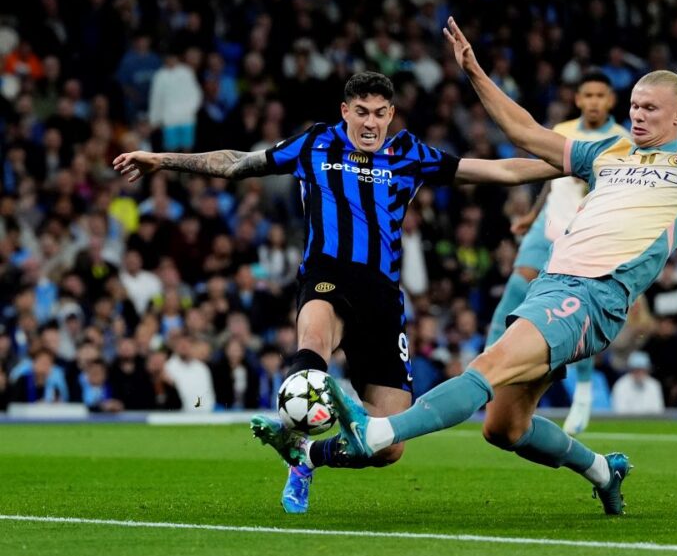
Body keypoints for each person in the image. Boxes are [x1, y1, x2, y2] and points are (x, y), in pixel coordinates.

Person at [291, 18, 677, 516]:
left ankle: (377, 436)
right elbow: (528, 136)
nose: (637, 114)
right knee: (503, 427)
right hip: (556, 290)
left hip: (595, 297)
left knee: (487, 365)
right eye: (634, 105)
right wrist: (476, 73)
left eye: (650, 108)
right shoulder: (607, 153)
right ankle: (601, 469)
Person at [112, 71, 563, 514]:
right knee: (313, 345)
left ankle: (306, 458)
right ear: (345, 111)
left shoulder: (409, 154)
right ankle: (296, 422)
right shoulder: (315, 143)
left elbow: (500, 170)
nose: (370, 122)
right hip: (328, 276)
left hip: (383, 299)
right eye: (362, 112)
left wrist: (571, 163)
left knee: (389, 448)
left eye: (380, 113)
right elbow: (238, 163)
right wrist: (162, 159)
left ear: (391, 115)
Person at [486, 70, 628, 437]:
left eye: (601, 95)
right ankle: (482, 377)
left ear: (610, 101)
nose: (594, 101)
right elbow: (552, 181)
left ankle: (582, 393)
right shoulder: (562, 131)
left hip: (582, 234)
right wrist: (531, 216)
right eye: (588, 95)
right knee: (513, 295)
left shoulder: (623, 141)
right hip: (545, 228)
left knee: (576, 314)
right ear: (578, 99)